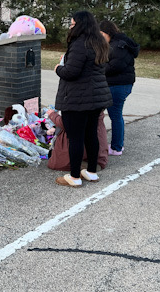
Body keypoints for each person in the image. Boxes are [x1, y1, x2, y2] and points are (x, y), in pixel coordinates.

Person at [53, 11, 112, 187]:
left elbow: (71, 72)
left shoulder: (80, 44)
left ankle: (74, 176)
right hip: (96, 99)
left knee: (76, 137)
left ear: (80, 24)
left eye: (72, 24)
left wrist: (58, 68)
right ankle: (91, 171)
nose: (71, 27)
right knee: (90, 134)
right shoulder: (99, 43)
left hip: (78, 98)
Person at [100, 20, 139, 156]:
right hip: (121, 84)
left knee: (115, 115)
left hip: (118, 85)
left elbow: (115, 66)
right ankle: (117, 145)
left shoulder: (118, 46)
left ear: (107, 33)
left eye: (101, 34)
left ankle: (117, 147)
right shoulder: (118, 43)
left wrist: (98, 68)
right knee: (115, 114)